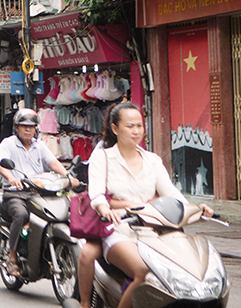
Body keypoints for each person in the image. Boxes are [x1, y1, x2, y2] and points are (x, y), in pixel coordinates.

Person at [79, 102, 214, 308]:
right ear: (115, 129)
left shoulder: (153, 160)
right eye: (130, 126)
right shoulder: (102, 157)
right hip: (118, 229)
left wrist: (196, 209)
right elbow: (96, 193)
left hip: (154, 231)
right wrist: (105, 209)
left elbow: (172, 193)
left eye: (139, 126)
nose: (136, 131)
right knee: (143, 271)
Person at [0, 108, 78, 278]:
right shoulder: (8, 143)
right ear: (16, 127)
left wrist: (68, 177)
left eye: (31, 127)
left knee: (58, 212)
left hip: (37, 193)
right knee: (21, 215)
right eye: (24, 126)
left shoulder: (39, 145)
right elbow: (1, 164)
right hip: (15, 193)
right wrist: (11, 178)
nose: (27, 130)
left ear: (36, 129)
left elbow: (53, 163)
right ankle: (12, 257)